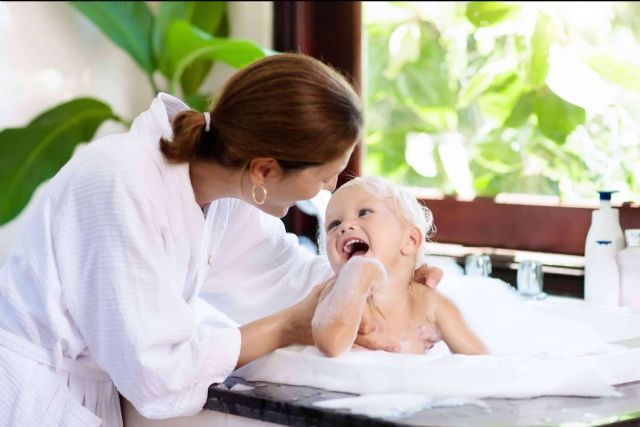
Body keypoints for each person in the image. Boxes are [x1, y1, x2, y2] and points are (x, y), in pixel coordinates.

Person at [0, 53, 443, 426]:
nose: (326, 191)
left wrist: (391, 285)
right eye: (324, 177)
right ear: (265, 171)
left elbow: (284, 274)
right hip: (25, 395)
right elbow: (157, 372)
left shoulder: (223, 194)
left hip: (79, 393)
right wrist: (288, 326)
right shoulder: (123, 184)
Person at [312, 176, 487, 357]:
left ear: (410, 240)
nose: (345, 226)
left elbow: (482, 363)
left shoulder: (429, 304)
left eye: (364, 213)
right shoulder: (337, 294)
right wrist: (356, 279)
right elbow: (331, 345)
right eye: (334, 224)